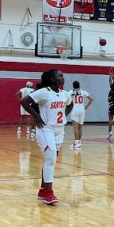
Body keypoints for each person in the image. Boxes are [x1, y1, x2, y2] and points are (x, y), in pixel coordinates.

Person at [20, 69, 71, 205]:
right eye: (60, 75)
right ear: (52, 79)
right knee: (51, 160)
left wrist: (65, 114)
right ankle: (48, 192)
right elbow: (24, 101)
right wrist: (36, 116)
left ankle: (43, 190)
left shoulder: (65, 94)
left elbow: (70, 104)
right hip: (46, 129)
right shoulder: (44, 92)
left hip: (60, 130)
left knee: (51, 160)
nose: (63, 77)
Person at [68, 81, 94, 149]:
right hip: (82, 110)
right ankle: (79, 143)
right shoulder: (83, 91)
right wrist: (86, 107)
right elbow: (91, 99)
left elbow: (66, 99)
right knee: (80, 127)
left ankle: (76, 143)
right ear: (79, 85)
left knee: (75, 128)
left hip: (75, 110)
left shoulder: (71, 92)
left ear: (73, 86)